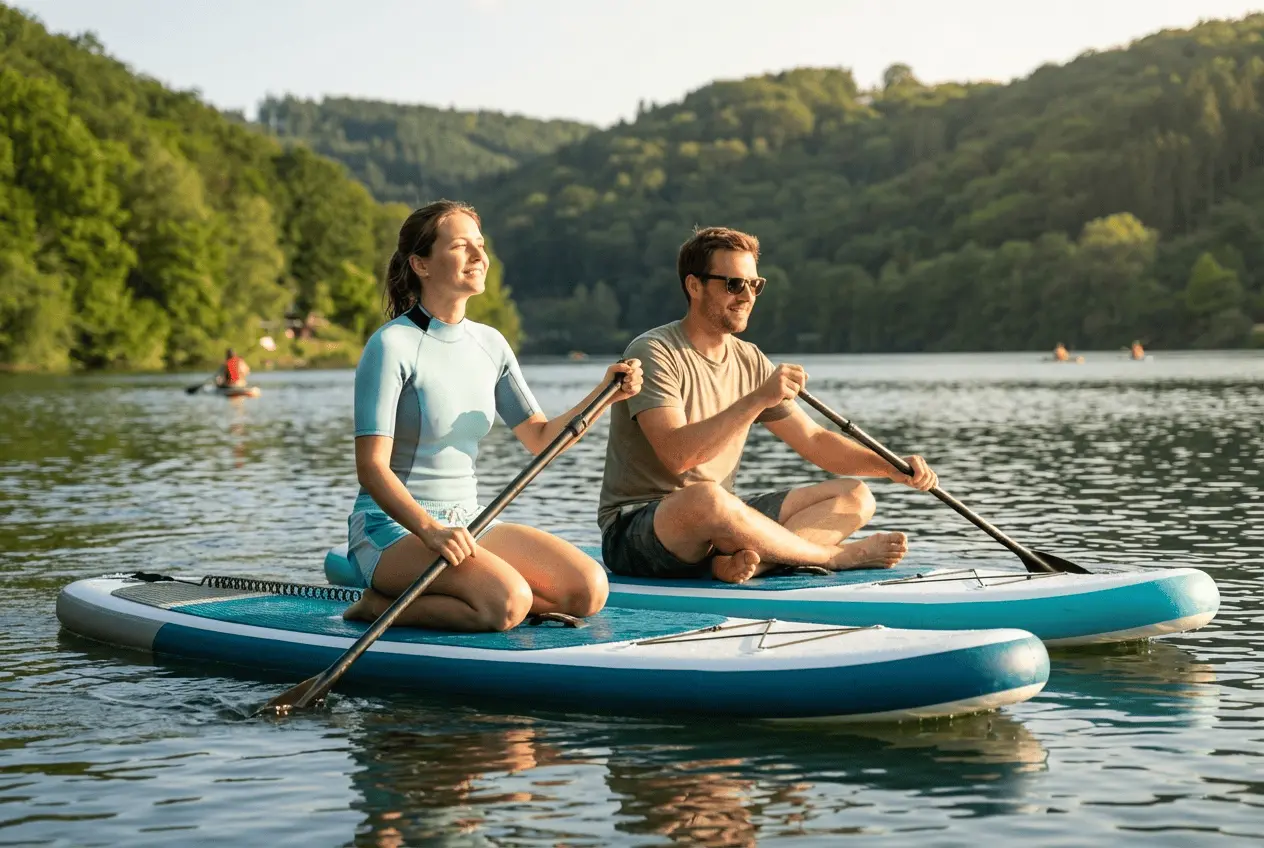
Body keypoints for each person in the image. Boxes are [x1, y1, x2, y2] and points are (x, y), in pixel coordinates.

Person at [342, 200, 643, 631]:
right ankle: (376, 604)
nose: (479, 257)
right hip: (391, 529)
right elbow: (371, 469)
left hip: (469, 519)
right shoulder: (391, 346)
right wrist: (430, 530)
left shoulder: (491, 344)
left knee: (588, 590)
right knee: (505, 604)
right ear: (421, 265)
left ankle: (497, 596)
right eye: (461, 246)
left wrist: (603, 395)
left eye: (480, 246)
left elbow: (541, 437)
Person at [597, 226, 937, 585]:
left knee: (855, 495)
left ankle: (750, 564)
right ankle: (833, 557)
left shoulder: (750, 359)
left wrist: (890, 467)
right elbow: (679, 456)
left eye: (754, 285)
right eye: (733, 285)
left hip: (722, 521)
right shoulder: (654, 352)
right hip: (637, 530)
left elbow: (815, 441)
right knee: (707, 499)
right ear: (694, 286)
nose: (747, 296)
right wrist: (758, 398)